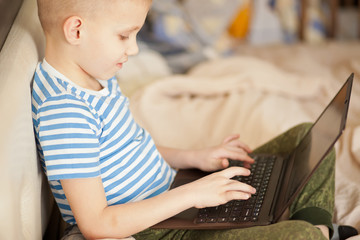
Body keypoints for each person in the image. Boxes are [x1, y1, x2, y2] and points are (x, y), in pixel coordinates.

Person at [32, 0, 338, 239]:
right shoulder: (64, 112)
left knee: (306, 136)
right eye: (125, 35)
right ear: (76, 31)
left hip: (174, 196)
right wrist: (194, 194)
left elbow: (131, 147)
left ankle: (319, 230)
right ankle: (315, 232)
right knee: (299, 235)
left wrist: (194, 158)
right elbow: (97, 224)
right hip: (153, 229)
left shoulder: (94, 73)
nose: (134, 49)